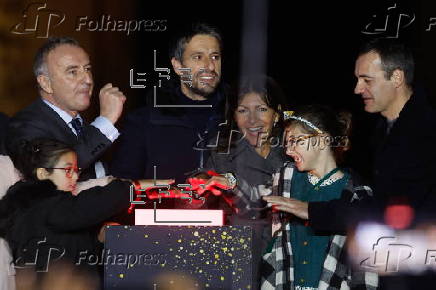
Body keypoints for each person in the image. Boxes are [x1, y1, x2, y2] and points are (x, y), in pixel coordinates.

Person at [277, 38, 436, 233]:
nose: (357, 89)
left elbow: (394, 210)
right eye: (357, 79)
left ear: (396, 78)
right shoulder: (383, 130)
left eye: (367, 80)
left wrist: (312, 211)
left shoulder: (424, 132)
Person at [0, 138, 174, 288]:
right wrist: (134, 186)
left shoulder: (45, 208)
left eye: (76, 171)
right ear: (43, 173)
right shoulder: (42, 207)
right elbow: (89, 205)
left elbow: (68, 246)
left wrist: (98, 240)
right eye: (68, 170)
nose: (75, 177)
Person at [187, 75, 289, 289]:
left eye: (261, 109)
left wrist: (232, 183)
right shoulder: (222, 156)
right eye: (242, 110)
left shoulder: (294, 155)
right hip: (236, 258)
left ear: (277, 115)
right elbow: (198, 194)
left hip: (285, 259)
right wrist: (199, 186)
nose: (252, 120)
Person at [261, 105, 378, 289]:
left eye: (295, 141)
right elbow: (253, 198)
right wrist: (230, 182)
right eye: (286, 143)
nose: (288, 150)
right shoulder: (286, 178)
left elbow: (367, 263)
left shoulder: (356, 193)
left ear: (322, 140)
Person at [110, 23, 227, 185]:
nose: (210, 66)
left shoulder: (236, 119)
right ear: (178, 66)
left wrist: (232, 181)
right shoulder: (144, 122)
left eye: (215, 57)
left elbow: (253, 181)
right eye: (198, 57)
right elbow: (121, 188)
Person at [6, 37, 126, 181]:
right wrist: (105, 120)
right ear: (45, 83)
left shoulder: (80, 124)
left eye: (87, 69)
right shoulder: (24, 126)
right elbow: (56, 175)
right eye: (72, 72)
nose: (88, 80)